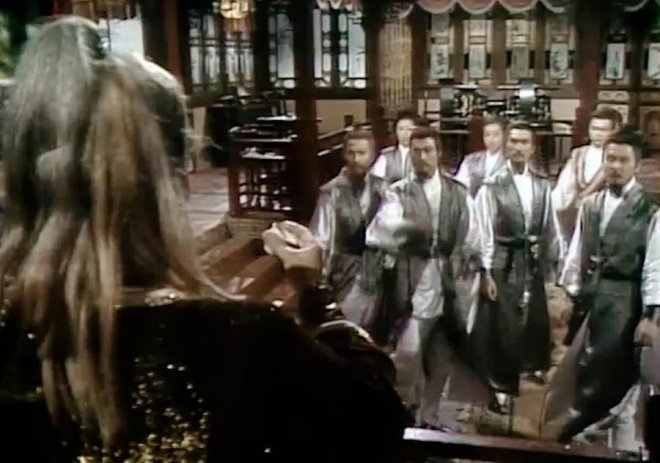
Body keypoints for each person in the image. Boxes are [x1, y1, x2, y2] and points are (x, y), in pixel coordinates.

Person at [0, 17, 408, 462]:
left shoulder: (16, 340)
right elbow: (377, 420)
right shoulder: (241, 340)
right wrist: (315, 294)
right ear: (174, 182)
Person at [366, 125, 488, 429]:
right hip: (413, 275)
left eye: (428, 150)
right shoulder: (398, 192)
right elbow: (381, 230)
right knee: (408, 351)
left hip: (451, 280)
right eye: (416, 151)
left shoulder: (457, 192)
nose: (422, 157)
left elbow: (474, 235)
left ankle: (430, 416)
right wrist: (409, 229)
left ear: (438, 153)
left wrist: (477, 268)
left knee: (442, 355)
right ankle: (402, 411)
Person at [546, 127, 657, 448]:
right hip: (593, 295)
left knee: (618, 375)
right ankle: (591, 441)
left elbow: (655, 266)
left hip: (627, 299)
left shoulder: (650, 211)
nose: (615, 166)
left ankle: (617, 444)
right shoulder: (591, 204)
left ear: (636, 165)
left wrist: (651, 316)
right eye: (610, 159)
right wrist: (570, 293)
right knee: (587, 368)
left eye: (623, 160)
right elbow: (578, 252)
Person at [473, 121, 562, 413]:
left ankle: (531, 364)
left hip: (531, 260)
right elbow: (484, 230)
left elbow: (550, 226)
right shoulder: (492, 186)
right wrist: (486, 271)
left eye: (524, 142)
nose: (517, 147)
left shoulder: (541, 184)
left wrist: (552, 260)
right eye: (513, 141)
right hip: (503, 259)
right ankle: (500, 384)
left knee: (534, 318)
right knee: (502, 323)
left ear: (533, 147)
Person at [309, 130, 385, 322]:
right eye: (351, 153)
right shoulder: (331, 192)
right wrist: (322, 276)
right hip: (344, 270)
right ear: (344, 155)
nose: (356, 159)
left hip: (378, 271)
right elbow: (322, 238)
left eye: (362, 153)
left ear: (373, 156)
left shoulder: (382, 188)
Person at [552, 106, 622, 247]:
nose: (598, 134)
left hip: (604, 218)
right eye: (594, 129)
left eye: (603, 130)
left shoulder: (619, 158)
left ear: (615, 131)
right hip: (573, 215)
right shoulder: (578, 154)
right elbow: (563, 188)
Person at [454, 115, 507, 198]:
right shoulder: (471, 160)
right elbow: (460, 185)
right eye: (487, 135)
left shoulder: (509, 160)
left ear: (504, 136)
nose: (491, 139)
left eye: (496, 135)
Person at [371, 109, 419, 184]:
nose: (405, 133)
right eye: (401, 129)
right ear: (395, 131)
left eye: (409, 129)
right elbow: (375, 180)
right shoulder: (386, 156)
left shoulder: (421, 154)